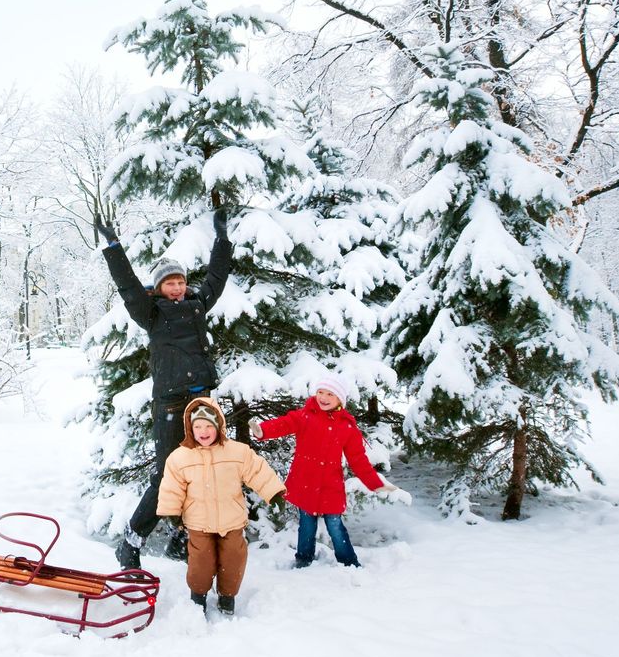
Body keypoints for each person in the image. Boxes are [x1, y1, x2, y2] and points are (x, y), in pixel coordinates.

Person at [95, 208, 233, 570]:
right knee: (167, 474)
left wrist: (222, 238)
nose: (176, 287)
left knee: (203, 471)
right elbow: (126, 283)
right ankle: (131, 541)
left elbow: (218, 277)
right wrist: (112, 245)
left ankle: (180, 538)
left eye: (180, 281)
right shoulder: (150, 312)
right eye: (169, 283)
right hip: (171, 403)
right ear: (158, 287)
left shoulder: (197, 304)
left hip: (202, 400)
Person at [250, 375, 403, 568]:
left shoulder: (347, 427)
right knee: (306, 526)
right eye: (321, 392)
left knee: (335, 526)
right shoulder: (305, 416)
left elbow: (358, 460)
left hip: (330, 485)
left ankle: (349, 562)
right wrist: (262, 430)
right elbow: (284, 424)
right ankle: (303, 559)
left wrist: (375, 483)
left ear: (340, 399)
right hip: (306, 482)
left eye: (330, 394)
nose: (323, 397)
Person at [157, 397, 285, 615]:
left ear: (218, 426)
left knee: (233, 560)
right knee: (200, 563)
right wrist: (171, 511)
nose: (203, 431)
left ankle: (227, 596)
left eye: (208, 426)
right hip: (198, 523)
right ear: (190, 428)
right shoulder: (180, 457)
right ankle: (198, 596)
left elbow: (257, 472)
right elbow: (172, 487)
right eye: (197, 426)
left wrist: (274, 493)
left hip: (232, 521)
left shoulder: (237, 452)